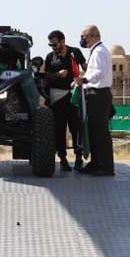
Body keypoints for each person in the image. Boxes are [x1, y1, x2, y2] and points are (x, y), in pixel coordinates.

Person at [40, 30, 87, 172]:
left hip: (73, 96)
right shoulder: (50, 57)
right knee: (59, 129)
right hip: (57, 98)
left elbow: (86, 68)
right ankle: (63, 159)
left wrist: (82, 79)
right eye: (50, 45)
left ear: (63, 41)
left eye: (54, 44)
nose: (52, 47)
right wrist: (57, 74)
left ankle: (79, 158)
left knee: (76, 128)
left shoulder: (75, 52)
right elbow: (45, 77)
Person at [74, 26, 114, 176]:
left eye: (83, 36)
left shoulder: (99, 52)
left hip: (99, 95)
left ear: (92, 36)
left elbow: (99, 72)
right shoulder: (96, 51)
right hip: (94, 94)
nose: (82, 40)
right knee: (93, 131)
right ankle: (95, 163)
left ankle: (104, 166)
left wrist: (84, 80)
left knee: (100, 132)